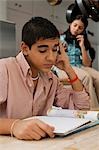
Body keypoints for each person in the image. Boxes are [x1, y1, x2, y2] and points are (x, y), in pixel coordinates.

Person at [0, 17, 90, 141]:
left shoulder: (51, 79)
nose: (51, 58)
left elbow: (81, 109)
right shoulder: (5, 68)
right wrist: (13, 126)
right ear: (25, 49)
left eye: (55, 50)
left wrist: (68, 69)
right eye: (43, 50)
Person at [54, 15, 99, 108]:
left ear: (83, 30)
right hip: (67, 66)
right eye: (75, 25)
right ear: (70, 24)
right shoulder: (60, 39)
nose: (76, 29)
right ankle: (93, 109)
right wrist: (60, 49)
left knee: (98, 77)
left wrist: (82, 46)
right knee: (87, 77)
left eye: (80, 28)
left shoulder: (83, 41)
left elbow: (87, 64)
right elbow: (54, 57)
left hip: (80, 65)